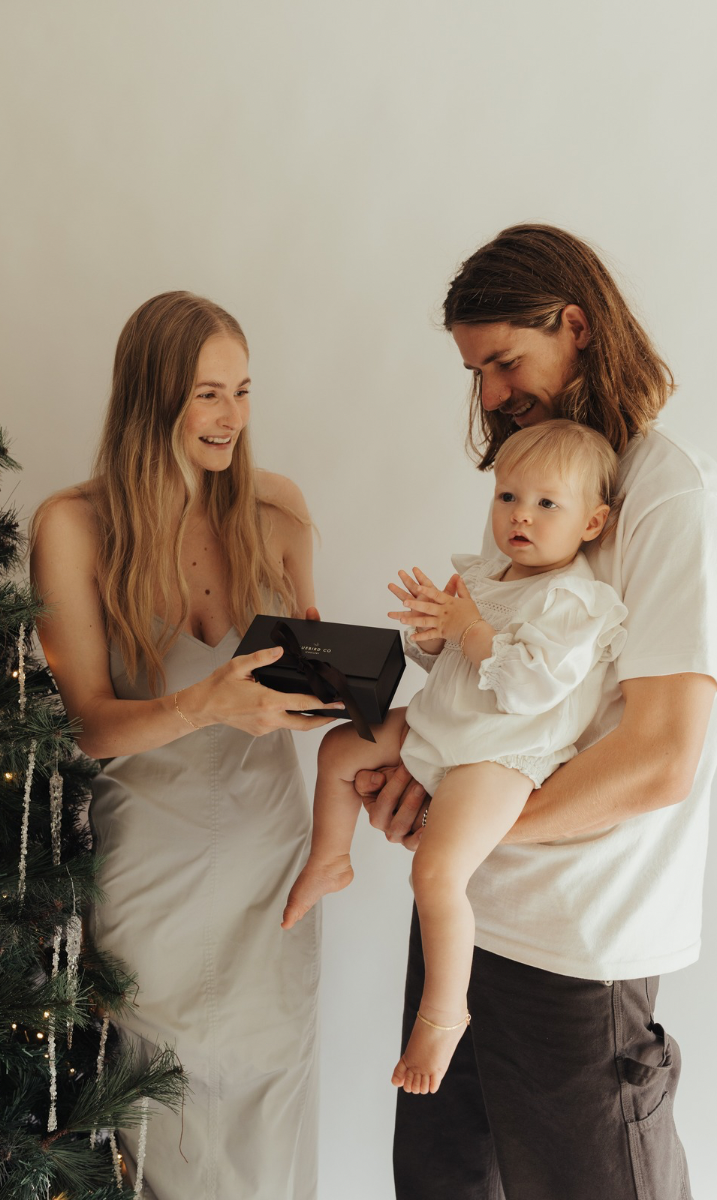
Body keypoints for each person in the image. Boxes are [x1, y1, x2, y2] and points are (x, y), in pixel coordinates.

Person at [355, 226, 717, 1200]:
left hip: (577, 953)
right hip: (467, 929)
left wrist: (467, 838)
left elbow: (660, 759)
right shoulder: (533, 481)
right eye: (475, 372)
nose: (490, 395)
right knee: (435, 1186)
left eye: (505, 363)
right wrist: (420, 783)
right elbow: (487, 687)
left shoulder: (661, 495)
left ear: (577, 327)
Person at [30, 291, 342, 1200]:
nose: (232, 418)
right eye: (209, 394)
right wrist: (201, 705)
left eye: (243, 392)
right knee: (164, 1105)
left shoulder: (277, 508)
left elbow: (303, 669)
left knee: (273, 1089)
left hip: (273, 850)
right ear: (151, 393)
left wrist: (338, 676)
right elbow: (86, 721)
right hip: (151, 858)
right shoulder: (74, 525)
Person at [283, 421, 627, 1097]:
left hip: (501, 754)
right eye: (506, 497)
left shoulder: (573, 600)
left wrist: (467, 629)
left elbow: (530, 687)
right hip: (444, 726)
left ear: (593, 522)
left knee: (437, 873)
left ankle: (443, 1012)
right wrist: (433, 632)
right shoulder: (483, 575)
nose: (519, 515)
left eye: (545, 504)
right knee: (339, 747)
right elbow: (444, 665)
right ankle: (329, 856)